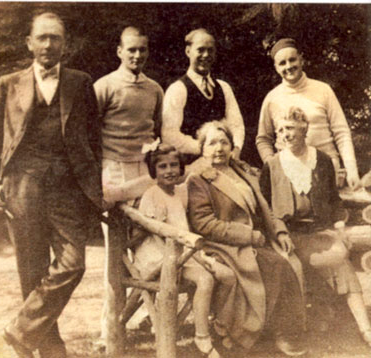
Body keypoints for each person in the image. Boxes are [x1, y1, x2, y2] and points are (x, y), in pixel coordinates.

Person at [0, 12, 103, 358]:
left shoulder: (81, 82)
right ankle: (49, 347)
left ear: (65, 44)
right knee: (32, 272)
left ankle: (20, 331)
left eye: (55, 38)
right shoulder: (8, 84)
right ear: (29, 43)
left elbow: (94, 140)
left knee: (73, 263)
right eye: (42, 37)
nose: (49, 44)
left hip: (66, 188)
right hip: (22, 188)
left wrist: (94, 188)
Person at [187, 121, 306, 357]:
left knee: (293, 261)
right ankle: (257, 334)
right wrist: (249, 236)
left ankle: (282, 331)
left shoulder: (243, 171)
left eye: (224, 142)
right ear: (202, 148)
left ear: (232, 146)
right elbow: (204, 224)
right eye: (212, 143)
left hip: (258, 238)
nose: (219, 148)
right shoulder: (198, 179)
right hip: (225, 244)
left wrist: (280, 231)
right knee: (276, 266)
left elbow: (266, 208)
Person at [260, 106, 371, 348]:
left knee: (340, 258)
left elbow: (333, 200)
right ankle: (296, 328)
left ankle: (365, 330)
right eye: (280, 130)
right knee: (324, 261)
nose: (285, 134)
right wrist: (279, 232)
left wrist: (339, 227)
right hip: (289, 234)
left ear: (304, 128)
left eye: (289, 128)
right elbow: (266, 208)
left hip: (320, 231)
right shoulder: (273, 165)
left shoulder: (321, 160)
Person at [93, 26, 163, 345]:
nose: (137, 56)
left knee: (151, 246)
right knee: (115, 253)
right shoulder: (104, 86)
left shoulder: (155, 89)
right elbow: (88, 136)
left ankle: (150, 317)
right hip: (113, 172)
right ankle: (111, 334)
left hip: (145, 174)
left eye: (142, 50)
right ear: (119, 51)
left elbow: (156, 130)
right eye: (131, 49)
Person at [132, 142, 232, 358]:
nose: (169, 171)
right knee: (205, 279)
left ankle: (218, 323)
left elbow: (184, 218)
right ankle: (202, 338)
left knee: (228, 275)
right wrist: (195, 258)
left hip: (184, 252)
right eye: (163, 167)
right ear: (154, 170)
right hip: (160, 257)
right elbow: (154, 233)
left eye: (174, 166)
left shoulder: (181, 191)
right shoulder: (152, 195)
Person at [256, 38, 360, 189]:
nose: (289, 66)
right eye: (282, 63)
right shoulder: (272, 98)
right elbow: (263, 139)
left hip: (326, 170)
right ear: (276, 67)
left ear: (301, 59)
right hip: (289, 172)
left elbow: (342, 133)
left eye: (292, 60)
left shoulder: (323, 90)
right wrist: (274, 165)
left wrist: (351, 169)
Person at [162, 28, 245, 164]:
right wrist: (204, 148)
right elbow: (169, 134)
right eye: (200, 50)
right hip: (191, 163)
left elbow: (236, 125)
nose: (206, 55)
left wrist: (235, 148)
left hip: (223, 161)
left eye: (210, 50)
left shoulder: (223, 88)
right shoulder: (178, 89)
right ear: (188, 51)